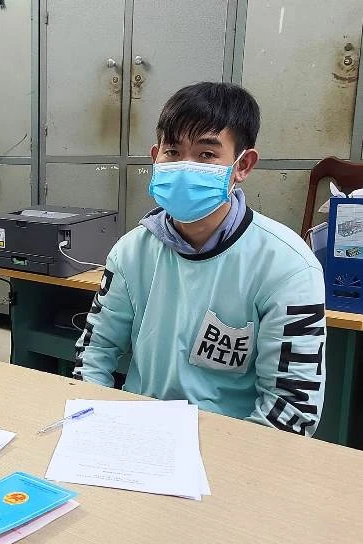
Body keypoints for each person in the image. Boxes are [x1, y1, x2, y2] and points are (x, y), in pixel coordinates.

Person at [74, 82, 326, 436]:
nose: (185, 166)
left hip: (233, 446)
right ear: (155, 157)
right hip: (137, 437)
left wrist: (226, 461)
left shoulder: (289, 266)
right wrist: (94, 428)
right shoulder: (130, 252)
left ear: (243, 165)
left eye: (206, 154)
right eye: (173, 151)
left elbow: (291, 407)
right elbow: (95, 354)